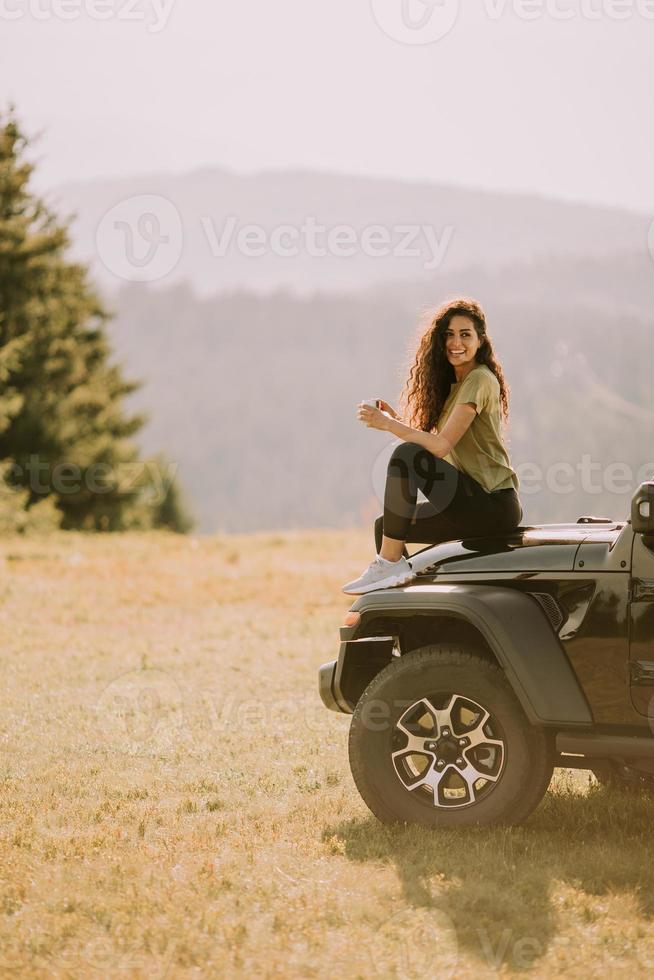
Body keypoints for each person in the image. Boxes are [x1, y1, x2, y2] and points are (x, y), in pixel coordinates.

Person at [342, 297, 523, 595]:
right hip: (471, 502)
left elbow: (438, 447)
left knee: (406, 456)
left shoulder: (480, 379)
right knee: (387, 527)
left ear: (480, 341)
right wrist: (395, 419)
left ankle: (389, 565)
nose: (456, 342)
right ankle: (403, 599)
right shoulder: (456, 387)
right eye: (449, 335)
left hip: (493, 505)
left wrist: (388, 425)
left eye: (465, 334)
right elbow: (437, 446)